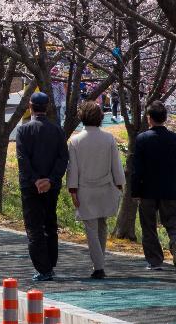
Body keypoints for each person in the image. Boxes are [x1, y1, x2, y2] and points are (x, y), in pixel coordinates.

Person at [67, 101, 125, 279]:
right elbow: (116, 165)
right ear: (100, 117)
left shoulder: (75, 140)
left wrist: (73, 190)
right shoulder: (108, 138)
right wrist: (120, 184)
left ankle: (98, 266)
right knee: (102, 225)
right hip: (106, 186)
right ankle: (100, 263)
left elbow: (73, 169)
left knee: (91, 228)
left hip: (85, 189)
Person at [14, 91, 69, 281]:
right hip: (51, 186)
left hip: (30, 186)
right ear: (47, 107)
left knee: (34, 227)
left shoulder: (23, 130)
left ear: (30, 106)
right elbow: (63, 158)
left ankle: (43, 268)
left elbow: (23, 158)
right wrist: (51, 180)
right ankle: (50, 263)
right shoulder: (57, 130)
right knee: (50, 224)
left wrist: (36, 180)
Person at [130, 100, 176, 270]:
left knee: (148, 226)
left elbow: (137, 168)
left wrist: (135, 191)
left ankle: (155, 261)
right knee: (173, 223)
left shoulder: (142, 139)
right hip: (170, 189)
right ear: (165, 118)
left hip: (147, 190)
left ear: (149, 118)